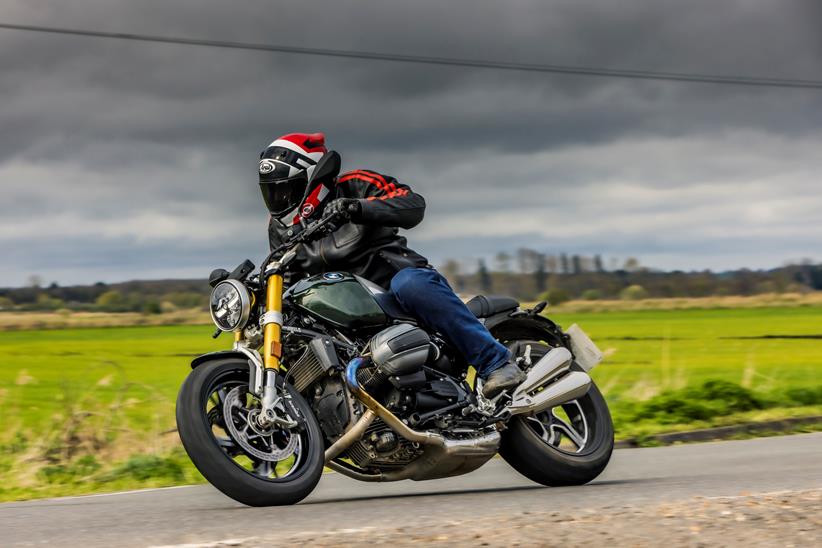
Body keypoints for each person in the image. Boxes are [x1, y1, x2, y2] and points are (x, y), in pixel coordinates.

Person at [259, 132, 524, 398]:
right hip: (345, 307)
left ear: (311, 178)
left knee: (410, 284)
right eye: (272, 190)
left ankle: (496, 363)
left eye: (285, 189)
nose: (279, 198)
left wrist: (357, 207)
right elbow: (288, 276)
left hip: (396, 286)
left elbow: (412, 204)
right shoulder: (280, 228)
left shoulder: (356, 185)